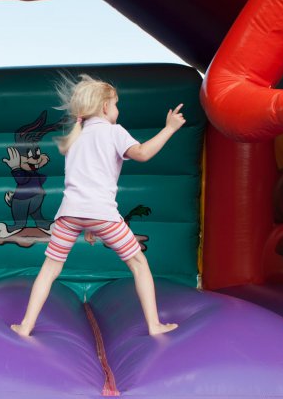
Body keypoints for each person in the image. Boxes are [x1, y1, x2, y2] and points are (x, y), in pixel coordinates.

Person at [11, 74, 184, 336]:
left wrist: (88, 225)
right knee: (139, 264)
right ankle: (154, 325)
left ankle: (25, 325)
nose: (117, 110)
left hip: (69, 214)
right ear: (104, 107)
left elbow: (83, 181)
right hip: (101, 214)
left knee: (49, 269)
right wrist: (169, 128)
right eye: (116, 104)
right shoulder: (114, 132)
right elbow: (143, 154)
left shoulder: (75, 138)